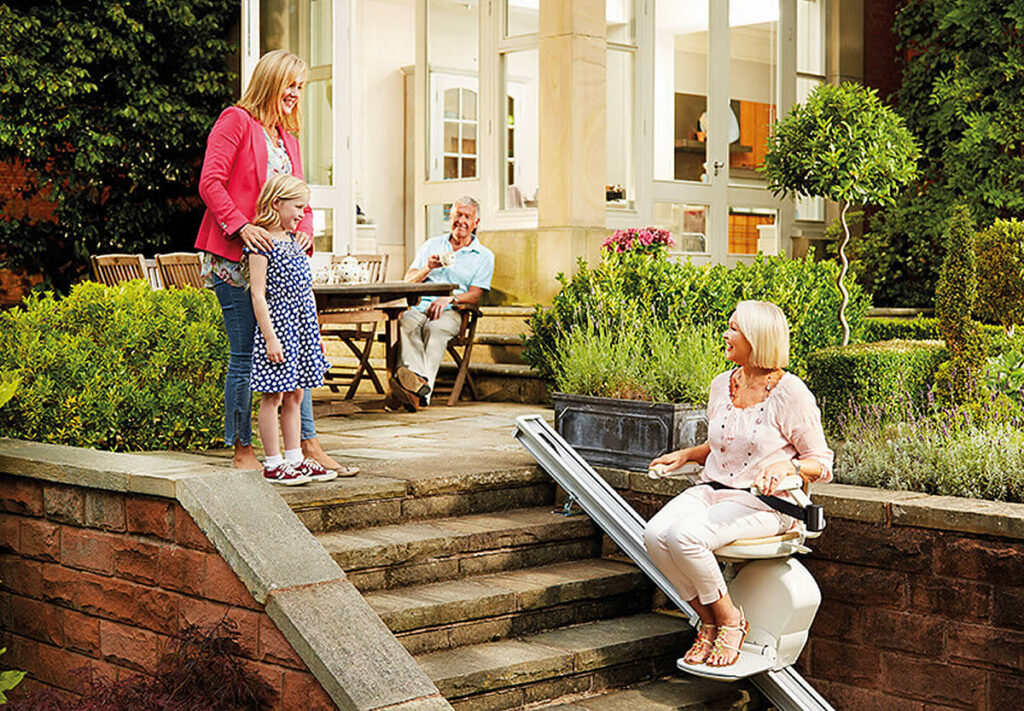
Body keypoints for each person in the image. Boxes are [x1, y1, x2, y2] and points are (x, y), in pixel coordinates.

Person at [643, 300, 833, 668]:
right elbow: (726, 443)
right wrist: (687, 454)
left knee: (685, 537)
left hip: (766, 504)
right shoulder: (721, 385)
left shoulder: (791, 393)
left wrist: (786, 465)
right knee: (654, 534)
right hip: (713, 491)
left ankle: (731, 621)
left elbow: (821, 463)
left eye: (734, 328)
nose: (725, 335)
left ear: (757, 338)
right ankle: (709, 622)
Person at [195, 49, 356, 476]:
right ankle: (243, 449)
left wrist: (306, 228)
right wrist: (239, 226)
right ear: (270, 81)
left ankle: (306, 446)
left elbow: (299, 195)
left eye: (301, 88)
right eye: (290, 85)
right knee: (246, 355)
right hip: (235, 257)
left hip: (282, 262)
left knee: (297, 356)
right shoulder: (236, 121)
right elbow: (210, 183)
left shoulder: (289, 138)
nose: (295, 94)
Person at [246, 175, 336, 486]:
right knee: (274, 395)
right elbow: (258, 293)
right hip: (280, 328)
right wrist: (270, 337)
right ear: (276, 203)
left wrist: (316, 335)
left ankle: (295, 458)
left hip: (302, 327)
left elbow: (306, 290)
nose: (302, 214)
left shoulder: (296, 241)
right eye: (298, 207)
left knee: (297, 393)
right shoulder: (262, 244)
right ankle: (273, 463)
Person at [386, 197, 494, 412]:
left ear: (476, 222)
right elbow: (408, 281)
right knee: (404, 321)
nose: (461, 221)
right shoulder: (432, 245)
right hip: (420, 306)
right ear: (450, 217)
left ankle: (413, 391)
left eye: (467, 216)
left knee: (434, 329)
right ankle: (419, 388)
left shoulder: (484, 256)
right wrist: (427, 268)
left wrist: (451, 299)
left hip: (453, 310)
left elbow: (474, 295)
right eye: (458, 215)